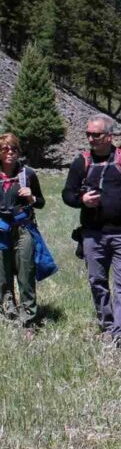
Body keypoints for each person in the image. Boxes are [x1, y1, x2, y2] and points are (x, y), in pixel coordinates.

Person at [62, 114, 121, 349]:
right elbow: (66, 194)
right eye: (88, 134)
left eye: (96, 134)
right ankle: (107, 324)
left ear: (109, 136)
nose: (91, 138)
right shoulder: (81, 162)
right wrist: (82, 199)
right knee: (97, 281)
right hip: (92, 234)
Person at [0, 133, 46, 328]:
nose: (10, 152)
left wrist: (32, 197)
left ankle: (29, 318)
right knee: (2, 274)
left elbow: (41, 202)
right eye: (5, 149)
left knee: (26, 273)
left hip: (23, 228)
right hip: (1, 230)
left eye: (14, 149)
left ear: (19, 152)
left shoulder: (27, 174)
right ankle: (8, 311)